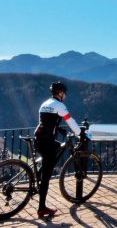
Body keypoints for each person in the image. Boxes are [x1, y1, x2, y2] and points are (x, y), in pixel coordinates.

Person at [34, 81, 82, 218]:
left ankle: (40, 171)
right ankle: (42, 208)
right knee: (46, 177)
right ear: (60, 93)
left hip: (39, 138)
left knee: (55, 148)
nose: (65, 95)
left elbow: (47, 122)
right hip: (46, 142)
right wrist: (80, 133)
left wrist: (59, 129)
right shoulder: (60, 105)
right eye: (64, 93)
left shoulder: (44, 104)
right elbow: (70, 120)